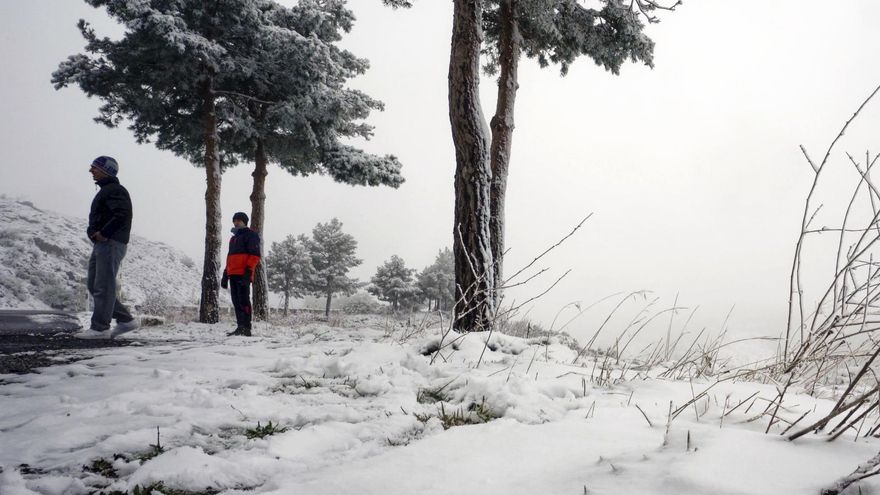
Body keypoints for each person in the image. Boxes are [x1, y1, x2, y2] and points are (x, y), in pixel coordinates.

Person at [75, 156, 139, 339]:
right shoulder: (108, 190)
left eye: (95, 167)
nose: (91, 170)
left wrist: (104, 233)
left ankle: (100, 328)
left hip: (111, 242)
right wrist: (93, 232)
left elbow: (122, 214)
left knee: (103, 284)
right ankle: (126, 320)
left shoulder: (116, 190)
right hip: (103, 243)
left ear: (107, 170)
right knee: (94, 283)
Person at [221, 212, 261, 337]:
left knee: (244, 300)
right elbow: (230, 258)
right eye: (234, 220)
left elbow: (255, 255)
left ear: (245, 222)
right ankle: (240, 327)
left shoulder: (251, 235)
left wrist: (249, 272)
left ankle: (247, 328)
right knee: (236, 301)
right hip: (232, 273)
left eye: (239, 220)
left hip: (243, 274)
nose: (236, 222)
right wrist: (225, 274)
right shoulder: (233, 239)